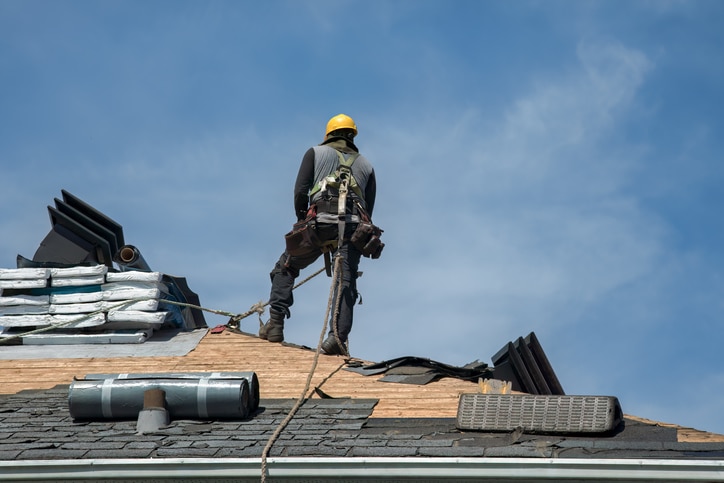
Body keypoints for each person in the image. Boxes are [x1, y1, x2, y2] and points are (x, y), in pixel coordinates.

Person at [259, 113, 377, 355]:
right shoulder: (367, 165)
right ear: (352, 135)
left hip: (319, 224)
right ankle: (336, 337)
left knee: (286, 266)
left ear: (328, 134)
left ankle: (276, 325)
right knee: (346, 280)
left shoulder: (314, 152)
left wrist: (302, 221)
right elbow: (369, 209)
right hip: (354, 228)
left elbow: (301, 190)